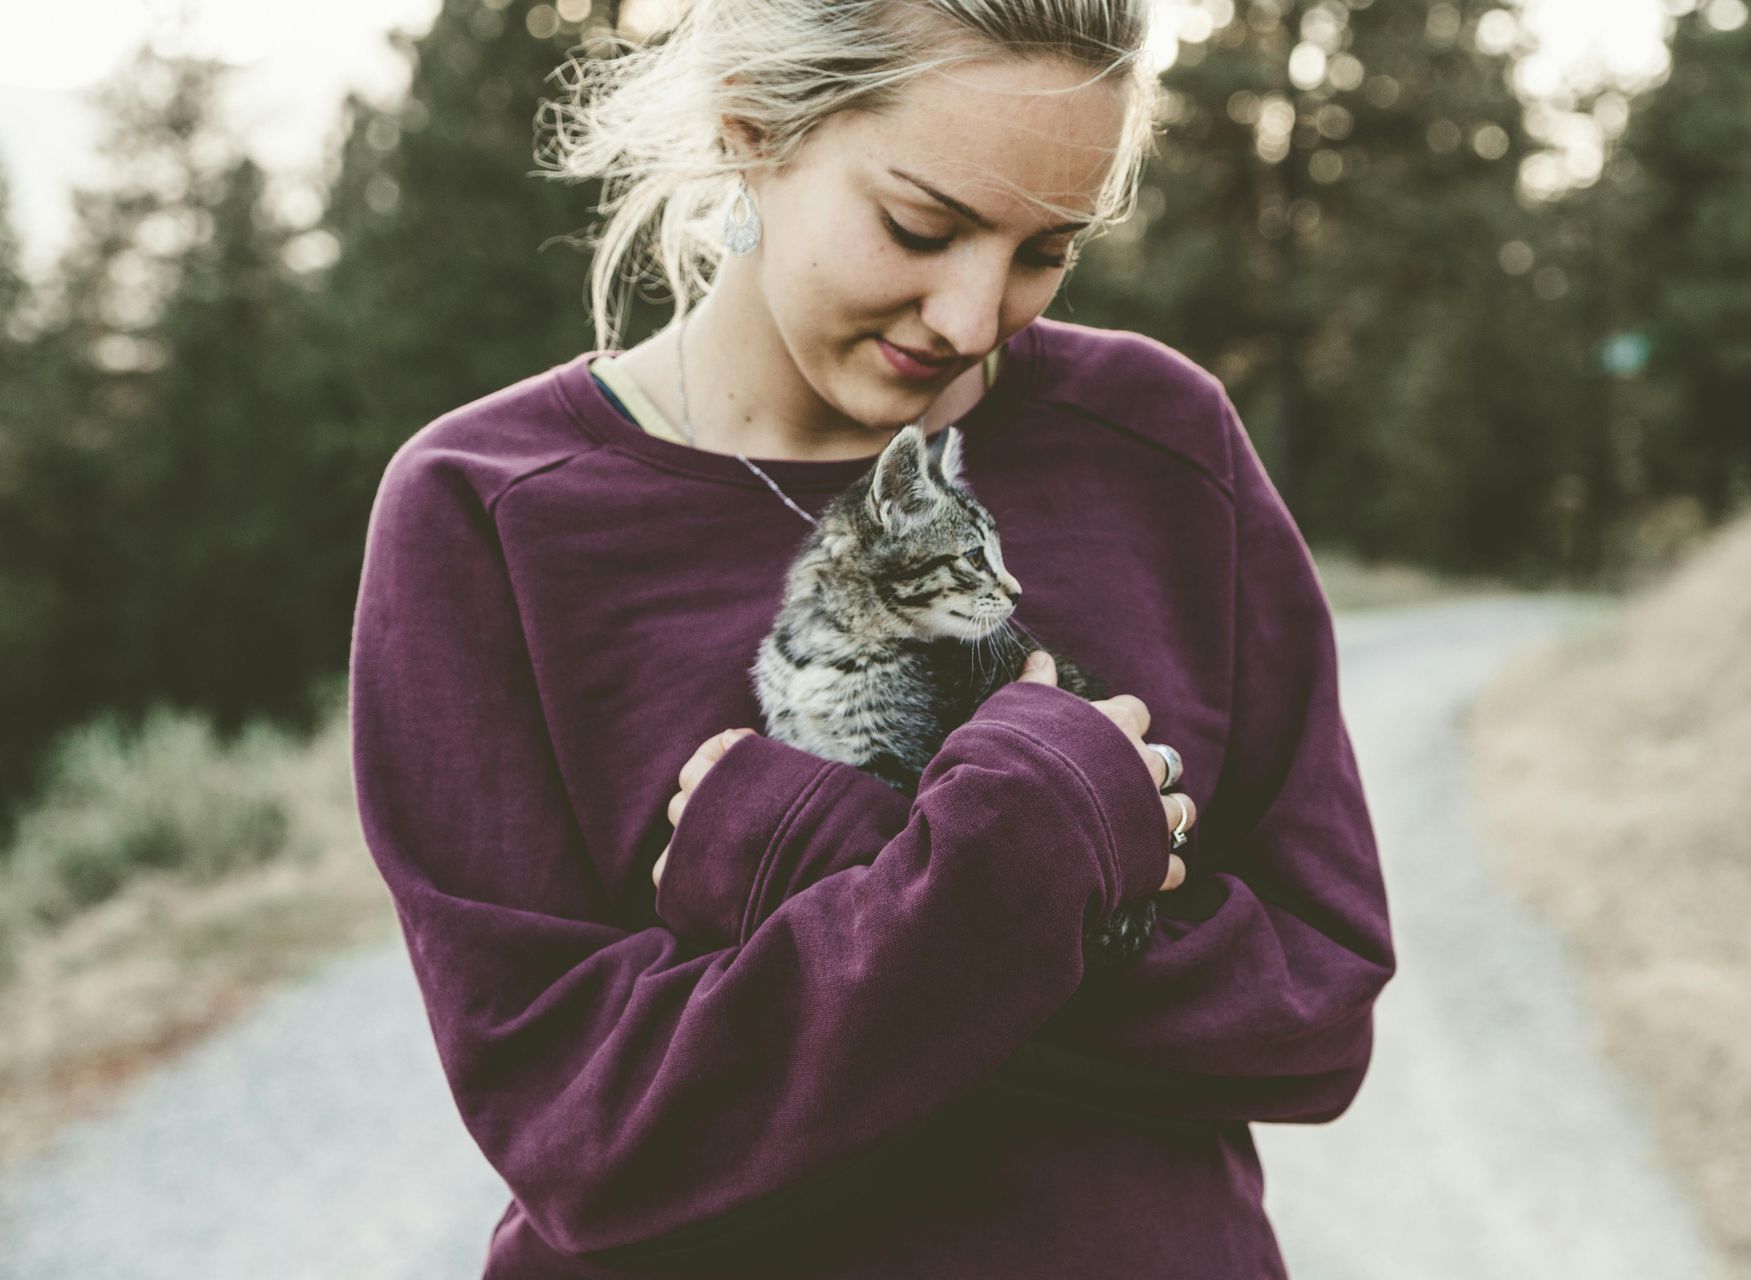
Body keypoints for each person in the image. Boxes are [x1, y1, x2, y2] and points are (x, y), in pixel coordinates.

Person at [347, 2, 1397, 1276]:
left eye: (1045, 250)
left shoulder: (1159, 442)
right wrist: (1028, 853)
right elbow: (591, 1133)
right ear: (751, 129)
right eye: (922, 226)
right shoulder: (489, 508)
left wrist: (818, 858)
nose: (970, 315)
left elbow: (1315, 1009)